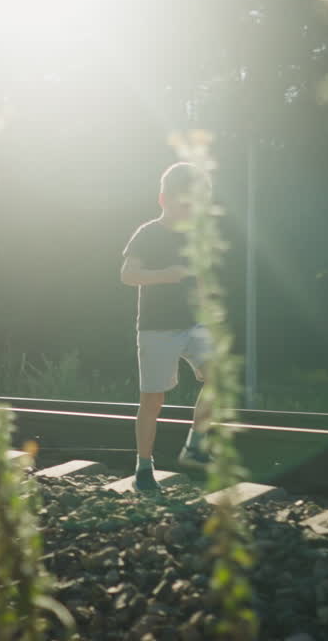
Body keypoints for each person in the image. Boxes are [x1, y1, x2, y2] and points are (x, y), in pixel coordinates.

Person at [120, 162, 214, 492]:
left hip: (194, 324)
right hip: (157, 329)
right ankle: (143, 468)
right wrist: (165, 275)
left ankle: (196, 446)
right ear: (164, 200)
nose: (188, 211)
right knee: (153, 401)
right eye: (182, 203)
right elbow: (127, 275)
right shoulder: (148, 234)